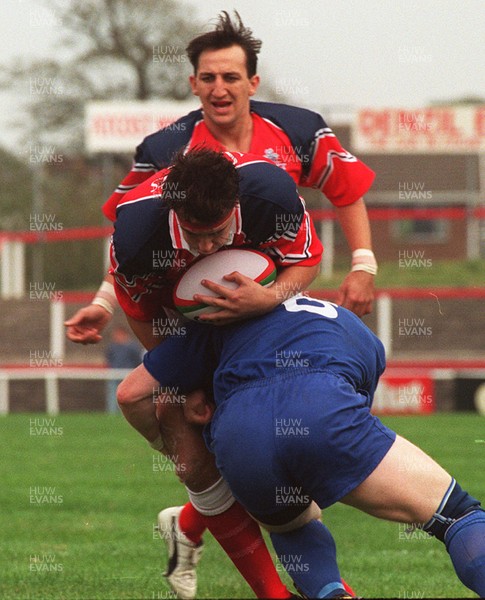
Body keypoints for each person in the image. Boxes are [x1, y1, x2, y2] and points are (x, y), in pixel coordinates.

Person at [64, 10, 375, 596]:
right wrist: (108, 308)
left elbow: (341, 199)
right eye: (208, 77)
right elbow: (131, 256)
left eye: (231, 76)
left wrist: (362, 265)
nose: (219, 88)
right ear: (193, 83)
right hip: (194, 318)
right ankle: (248, 546)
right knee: (160, 407)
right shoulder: (161, 157)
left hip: (276, 302)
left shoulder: (288, 147)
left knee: (279, 433)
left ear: (252, 82)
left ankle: (203, 521)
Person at [119, 293, 485, 599]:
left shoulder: (209, 325)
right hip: (322, 407)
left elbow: (132, 394)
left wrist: (176, 453)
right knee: (457, 514)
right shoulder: (349, 325)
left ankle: (330, 593)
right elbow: (349, 409)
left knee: (291, 526)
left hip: (239, 432)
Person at [111, 146, 325, 600]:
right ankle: (275, 591)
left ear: (238, 205)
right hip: (188, 325)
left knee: (277, 435)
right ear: (174, 212)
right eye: (194, 235)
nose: (208, 247)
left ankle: (324, 584)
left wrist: (268, 298)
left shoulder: (270, 195)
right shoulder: (137, 232)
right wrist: (187, 381)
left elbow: (307, 259)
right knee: (160, 407)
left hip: (271, 311)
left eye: (218, 232)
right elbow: (142, 314)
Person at [104, 326, 143, 413]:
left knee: (127, 395)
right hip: (114, 374)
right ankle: (112, 413)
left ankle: (126, 414)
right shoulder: (112, 346)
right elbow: (109, 358)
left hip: (127, 374)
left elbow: (137, 360)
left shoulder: (133, 347)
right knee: (112, 394)